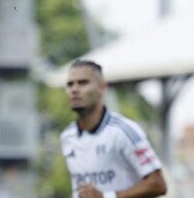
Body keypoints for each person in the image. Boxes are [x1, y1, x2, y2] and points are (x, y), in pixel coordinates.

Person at [61, 60, 167, 198]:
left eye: (83, 83)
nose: (74, 89)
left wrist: (107, 196)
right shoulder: (67, 136)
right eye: (70, 84)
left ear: (102, 88)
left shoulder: (123, 131)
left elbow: (158, 184)